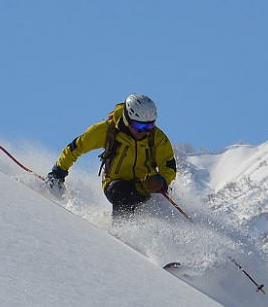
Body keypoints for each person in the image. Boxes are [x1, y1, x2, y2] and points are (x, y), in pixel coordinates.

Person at [45, 94, 177, 220]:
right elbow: (76, 148)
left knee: (156, 205)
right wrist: (58, 172)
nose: (144, 132)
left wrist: (161, 181)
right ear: (127, 119)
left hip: (146, 185)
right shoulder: (107, 130)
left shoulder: (157, 138)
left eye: (149, 126)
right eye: (139, 126)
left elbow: (169, 166)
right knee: (124, 194)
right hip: (116, 182)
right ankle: (122, 232)